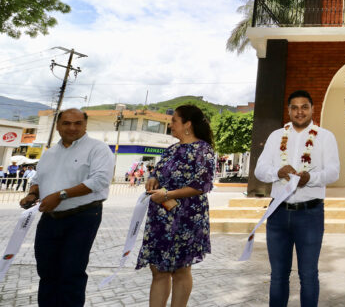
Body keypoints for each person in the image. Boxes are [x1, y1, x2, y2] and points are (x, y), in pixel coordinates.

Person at [18, 108, 114, 307]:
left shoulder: (98, 149)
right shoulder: (50, 153)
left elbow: (100, 180)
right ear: (58, 126)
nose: (72, 127)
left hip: (83, 217)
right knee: (46, 272)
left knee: (71, 273)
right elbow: (38, 179)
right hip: (50, 219)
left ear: (85, 125)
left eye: (78, 123)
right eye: (66, 123)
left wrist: (61, 195)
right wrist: (32, 194)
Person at [254, 90, 340, 307]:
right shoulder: (276, 136)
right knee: (278, 275)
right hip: (278, 214)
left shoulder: (325, 136)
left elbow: (333, 172)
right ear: (289, 110)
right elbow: (260, 170)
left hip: (310, 214)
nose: (299, 112)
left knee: (309, 275)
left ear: (312, 109)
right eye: (294, 107)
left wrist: (310, 178)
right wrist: (278, 172)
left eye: (304, 107)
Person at [136, 104, 216, 307]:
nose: (170, 125)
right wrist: (153, 179)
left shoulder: (203, 150)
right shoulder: (172, 149)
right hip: (161, 217)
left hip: (187, 217)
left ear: (187, 124)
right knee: (158, 269)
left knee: (181, 269)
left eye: (174, 121)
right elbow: (160, 173)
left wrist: (168, 194)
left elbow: (202, 184)